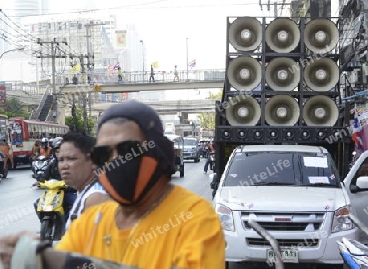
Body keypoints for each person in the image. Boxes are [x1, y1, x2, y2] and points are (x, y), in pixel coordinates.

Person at [0, 100, 225, 269]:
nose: (115, 160)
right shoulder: (91, 221)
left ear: (157, 153)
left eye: (128, 150)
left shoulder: (193, 217)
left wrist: (54, 260)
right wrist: (30, 255)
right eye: (103, 153)